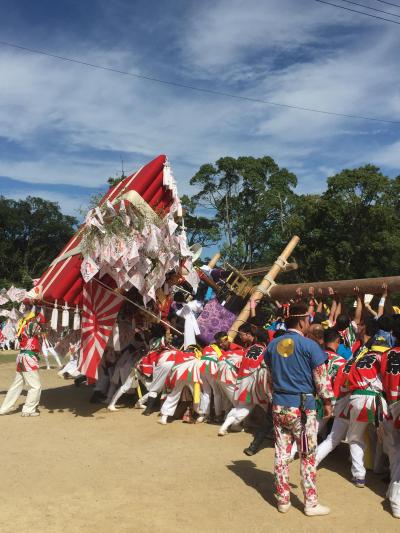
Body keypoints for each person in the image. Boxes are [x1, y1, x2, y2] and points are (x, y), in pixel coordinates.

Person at [264, 303, 333, 516]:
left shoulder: (273, 345)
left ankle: (283, 499)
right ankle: (310, 503)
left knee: (282, 452)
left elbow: (268, 378)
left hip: (279, 405)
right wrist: (328, 402)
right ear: (302, 320)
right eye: (308, 319)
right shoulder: (309, 346)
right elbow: (321, 378)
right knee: (307, 454)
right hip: (303, 409)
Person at [0, 311, 44, 417]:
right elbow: (39, 326)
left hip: (23, 357)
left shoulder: (24, 326)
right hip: (28, 359)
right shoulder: (30, 325)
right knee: (36, 386)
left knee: (17, 385)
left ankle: (4, 409)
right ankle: (28, 409)